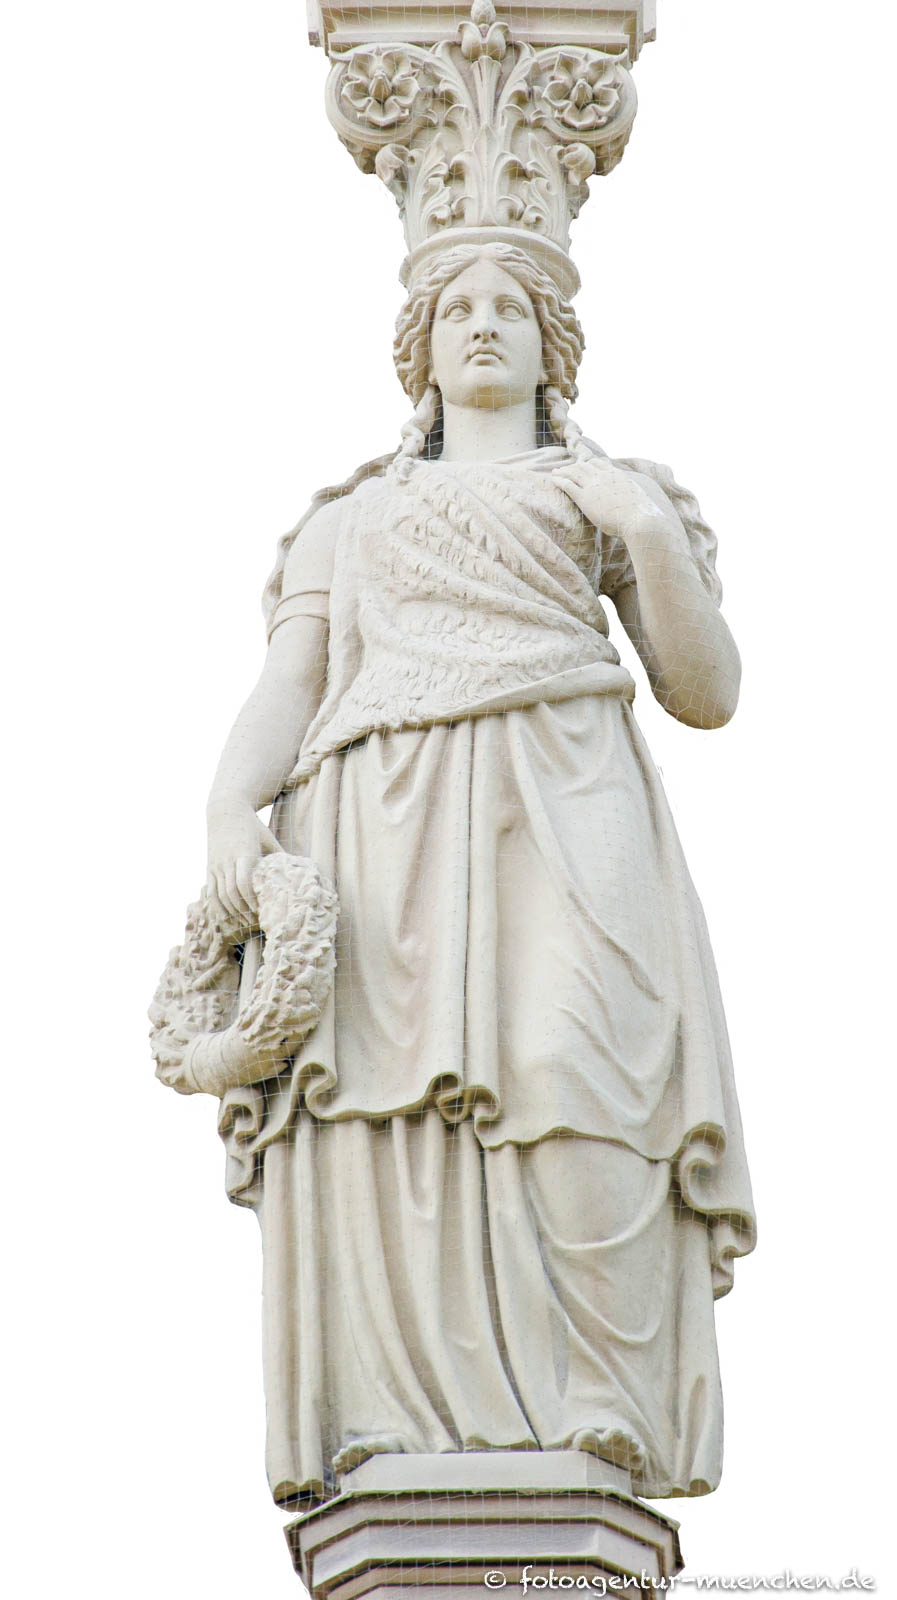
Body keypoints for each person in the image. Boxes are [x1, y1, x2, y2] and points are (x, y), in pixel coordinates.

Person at [204, 241, 755, 1508]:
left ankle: (604, 1404)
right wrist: (229, 807)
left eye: (513, 306)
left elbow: (709, 691)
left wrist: (645, 533)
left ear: (555, 345)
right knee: (391, 1109)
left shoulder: (611, 493)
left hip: (567, 782)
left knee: (573, 1062)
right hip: (384, 817)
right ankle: (396, 1417)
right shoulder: (349, 516)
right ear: (422, 347)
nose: (486, 323)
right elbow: (290, 681)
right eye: (458, 307)